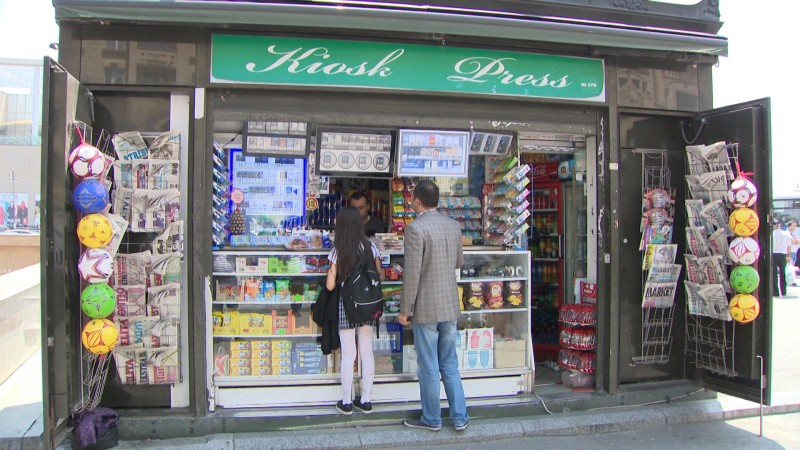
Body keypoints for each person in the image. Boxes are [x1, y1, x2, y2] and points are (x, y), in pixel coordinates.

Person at [398, 180, 469, 432]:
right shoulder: (453, 226)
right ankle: (459, 417)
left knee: (428, 364)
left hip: (426, 307)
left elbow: (412, 274)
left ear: (417, 200)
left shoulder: (415, 229)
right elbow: (458, 262)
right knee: (449, 362)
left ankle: (432, 418)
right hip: (449, 303)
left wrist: (405, 310)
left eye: (412, 198)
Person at [326, 205, 383, 415]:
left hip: (347, 305)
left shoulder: (338, 251)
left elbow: (330, 286)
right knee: (367, 351)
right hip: (367, 304)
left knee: (348, 353)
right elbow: (380, 275)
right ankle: (366, 399)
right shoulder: (371, 247)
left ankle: (346, 401)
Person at [772, 219, 794, 297]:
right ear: (779, 225)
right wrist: (788, 256)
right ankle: (783, 291)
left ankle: (775, 292)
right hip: (783, 255)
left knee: (774, 274)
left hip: (774, 255)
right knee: (783, 273)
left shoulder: (772, 234)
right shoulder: (786, 234)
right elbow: (789, 246)